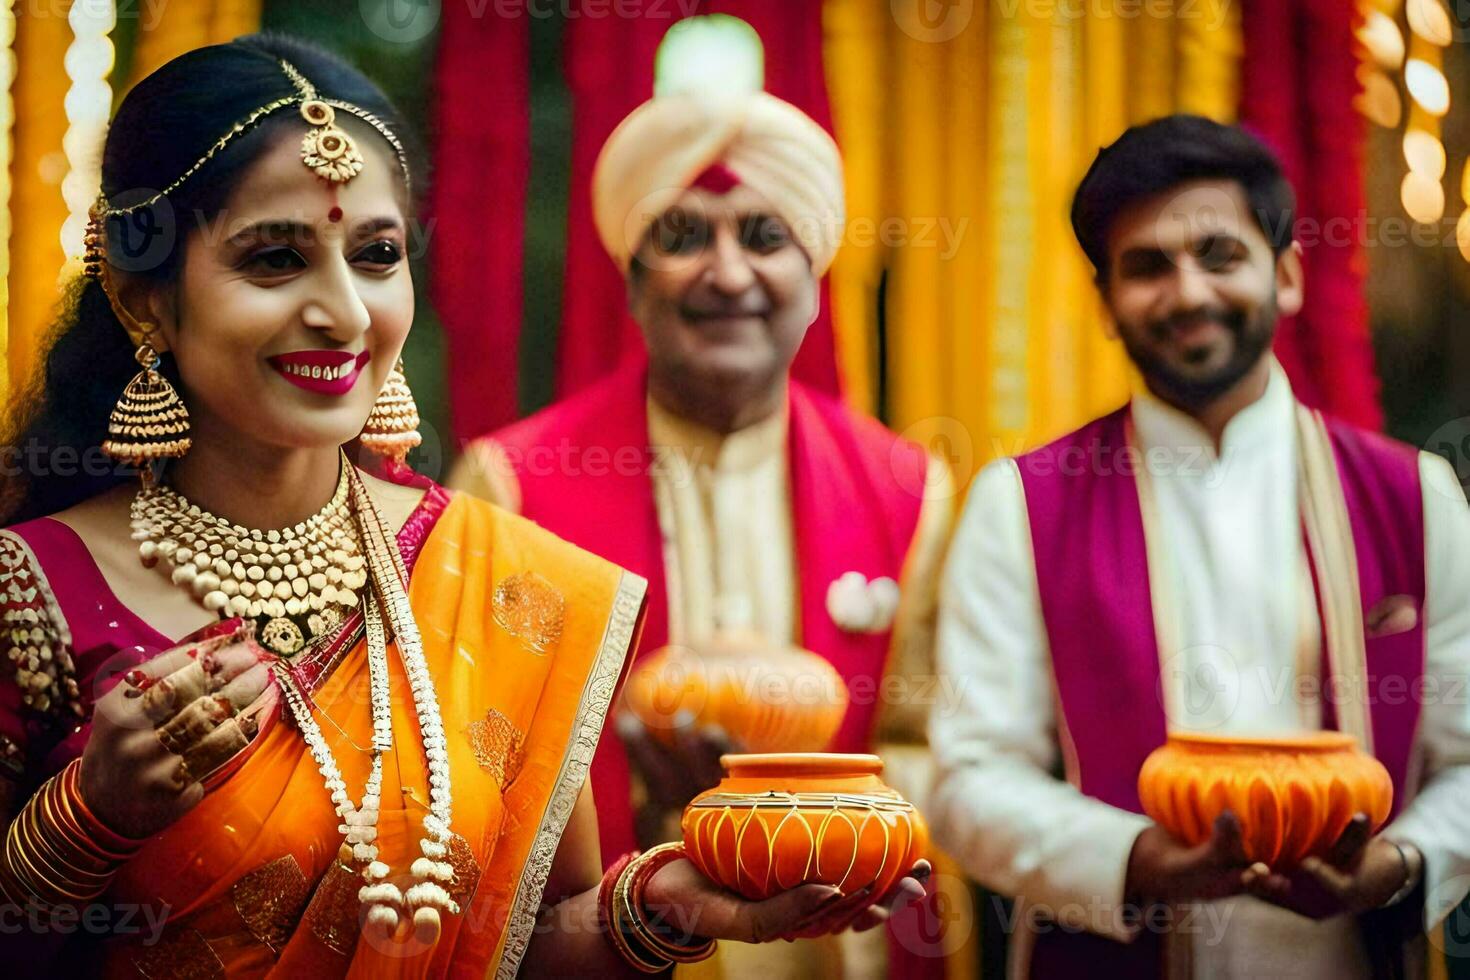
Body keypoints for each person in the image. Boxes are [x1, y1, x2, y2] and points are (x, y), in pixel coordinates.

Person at [0, 34, 924, 978]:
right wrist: (85, 820)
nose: (347, 313)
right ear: (143, 298)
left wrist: (654, 908)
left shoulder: (500, 572)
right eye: (275, 258)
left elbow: (533, 940)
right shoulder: (31, 592)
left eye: (376, 255)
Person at [448, 15, 953, 978]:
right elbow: (476, 774)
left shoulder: (907, 488)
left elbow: (935, 749)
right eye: (683, 238)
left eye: (765, 237)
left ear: (812, 282)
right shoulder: (513, 482)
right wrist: (623, 789)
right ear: (633, 282)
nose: (728, 274)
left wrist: (810, 818)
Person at [930, 113, 1470, 978]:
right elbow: (967, 779)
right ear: (1106, 305)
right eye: (1146, 266)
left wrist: (1400, 864)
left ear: (1287, 274)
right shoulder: (1020, 504)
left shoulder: (1413, 497)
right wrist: (1137, 858)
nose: (1187, 293)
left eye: (1219, 254)